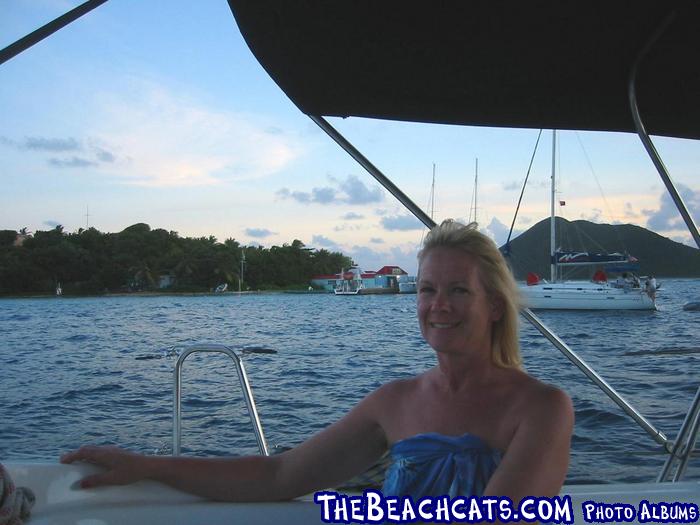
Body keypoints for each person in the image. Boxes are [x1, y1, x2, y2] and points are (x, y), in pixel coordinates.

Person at [61, 220, 573, 504]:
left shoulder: (541, 410)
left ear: (496, 306)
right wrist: (147, 465)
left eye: (459, 290)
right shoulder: (394, 403)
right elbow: (281, 476)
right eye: (427, 289)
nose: (438, 305)